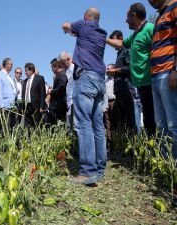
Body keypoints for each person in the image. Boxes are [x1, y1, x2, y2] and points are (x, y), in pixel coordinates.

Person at [148, 0, 177, 206]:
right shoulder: (160, 14)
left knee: (175, 127)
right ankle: (170, 177)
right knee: (162, 128)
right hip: (157, 76)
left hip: (170, 74)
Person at [62, 7, 107, 185]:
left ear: (86, 17)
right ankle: (100, 168)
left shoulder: (83, 25)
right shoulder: (101, 33)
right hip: (99, 80)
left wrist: (69, 30)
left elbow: (65, 25)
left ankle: (87, 171)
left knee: (83, 123)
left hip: (86, 78)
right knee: (98, 125)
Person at [106, 3, 156, 136]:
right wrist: (103, 39)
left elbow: (157, 51)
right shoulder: (134, 36)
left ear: (134, 15)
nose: (125, 20)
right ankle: (151, 151)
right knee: (147, 119)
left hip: (151, 83)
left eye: (127, 17)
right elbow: (120, 43)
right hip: (141, 84)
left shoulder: (150, 28)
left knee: (154, 119)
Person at [107, 30, 136, 134]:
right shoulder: (119, 53)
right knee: (122, 120)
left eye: (113, 40)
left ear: (120, 39)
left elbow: (129, 68)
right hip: (119, 89)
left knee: (129, 118)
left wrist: (114, 70)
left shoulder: (127, 50)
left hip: (126, 87)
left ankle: (133, 145)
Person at [0, 58, 16, 132]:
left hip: (11, 106)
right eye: (11, 64)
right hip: (4, 106)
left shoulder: (9, 77)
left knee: (10, 128)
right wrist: (2, 106)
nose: (12, 66)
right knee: (3, 128)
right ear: (6, 64)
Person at [22, 62, 46, 128]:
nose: (25, 72)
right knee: (27, 126)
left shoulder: (39, 78)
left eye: (26, 70)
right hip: (27, 107)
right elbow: (23, 94)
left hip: (36, 107)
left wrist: (42, 106)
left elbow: (43, 93)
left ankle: (36, 138)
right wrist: (23, 107)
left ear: (31, 70)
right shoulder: (24, 81)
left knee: (36, 125)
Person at [47, 58, 68, 125]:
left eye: (52, 67)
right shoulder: (59, 75)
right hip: (57, 106)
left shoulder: (61, 75)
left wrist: (51, 91)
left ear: (56, 66)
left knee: (57, 126)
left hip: (58, 107)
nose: (51, 69)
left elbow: (62, 87)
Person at [58, 51, 74, 132]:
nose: (62, 65)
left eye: (62, 63)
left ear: (68, 59)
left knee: (74, 127)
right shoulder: (66, 71)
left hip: (74, 102)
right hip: (68, 103)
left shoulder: (74, 69)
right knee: (68, 128)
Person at [104, 64, 116, 152]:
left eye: (109, 69)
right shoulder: (105, 81)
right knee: (107, 124)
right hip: (106, 103)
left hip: (114, 101)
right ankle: (110, 145)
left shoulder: (116, 80)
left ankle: (117, 144)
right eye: (106, 69)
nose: (107, 71)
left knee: (115, 123)